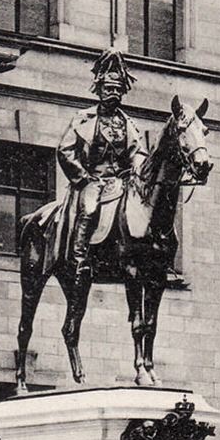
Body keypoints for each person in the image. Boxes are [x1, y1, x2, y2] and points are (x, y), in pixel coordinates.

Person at [56, 48, 147, 291]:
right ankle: (78, 258)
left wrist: (137, 169)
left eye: (118, 90)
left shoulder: (128, 124)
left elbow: (138, 152)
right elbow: (65, 150)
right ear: (99, 90)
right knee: (90, 207)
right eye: (109, 89)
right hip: (92, 180)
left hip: (121, 181)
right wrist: (83, 178)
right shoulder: (84, 118)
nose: (113, 93)